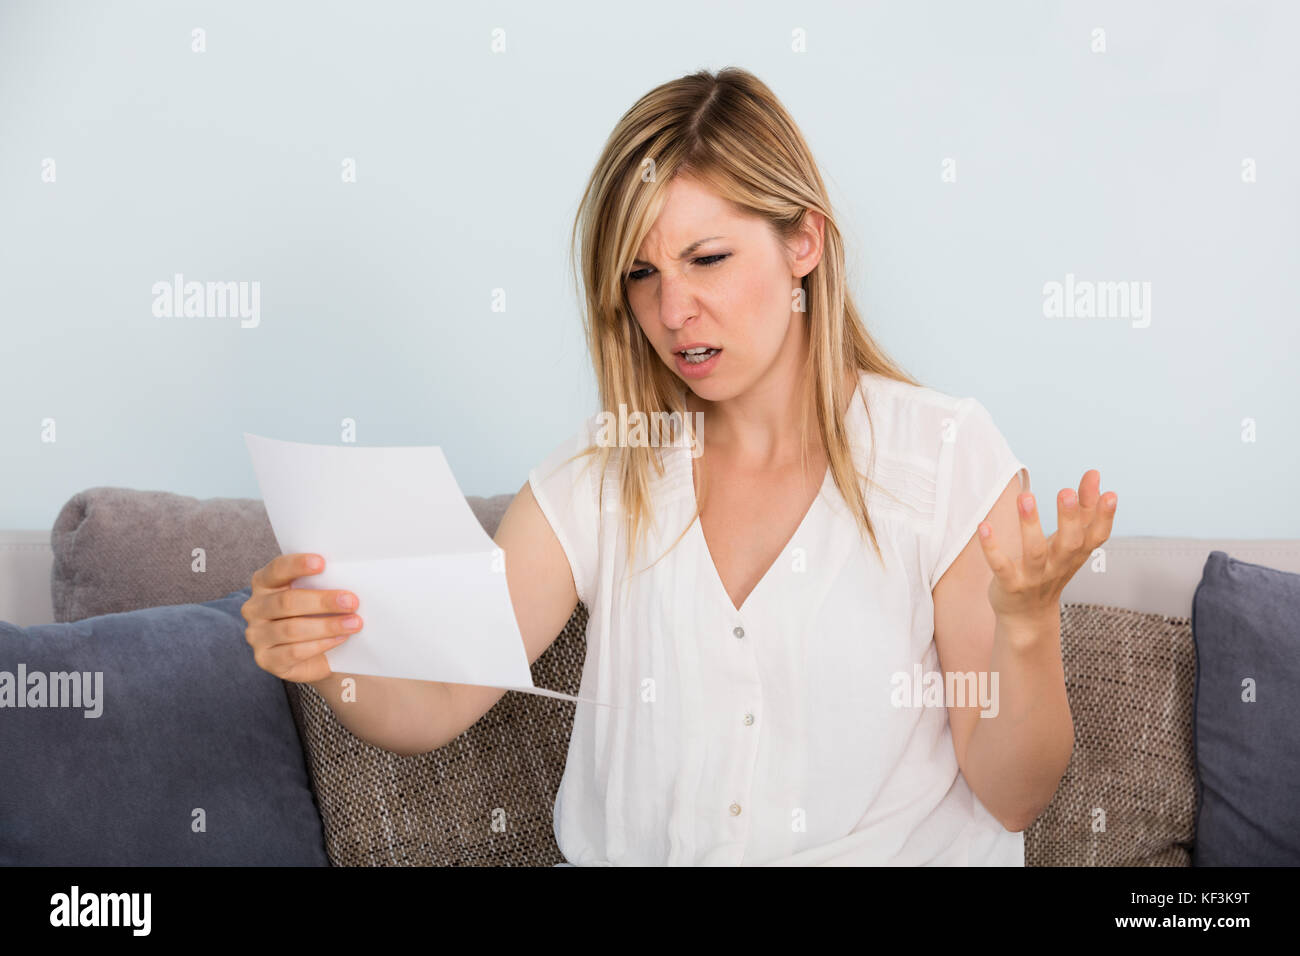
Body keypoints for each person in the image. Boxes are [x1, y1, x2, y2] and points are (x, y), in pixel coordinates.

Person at [242, 67, 1117, 866]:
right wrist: (331, 660)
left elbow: (1014, 795)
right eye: (641, 272)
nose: (672, 309)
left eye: (708, 259)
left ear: (803, 242)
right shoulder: (604, 471)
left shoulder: (945, 456)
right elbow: (435, 697)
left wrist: (1029, 627)